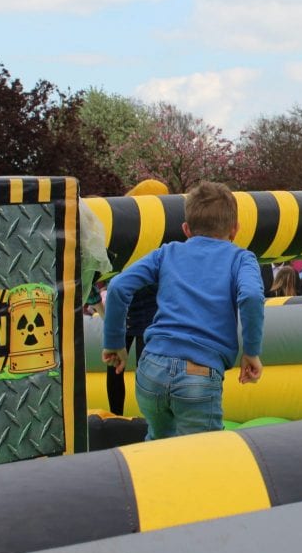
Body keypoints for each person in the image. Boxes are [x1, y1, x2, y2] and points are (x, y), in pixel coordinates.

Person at [102, 181, 265, 439]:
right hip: (199, 374)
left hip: (151, 368)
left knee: (157, 442)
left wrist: (114, 343)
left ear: (186, 229)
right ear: (235, 230)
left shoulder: (167, 253)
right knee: (201, 455)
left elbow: (118, 286)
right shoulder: (241, 258)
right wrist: (251, 351)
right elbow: (252, 296)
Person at [104, 283, 157, 415]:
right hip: (122, 309)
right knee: (115, 368)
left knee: (145, 370)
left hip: (149, 308)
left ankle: (150, 421)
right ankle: (115, 416)